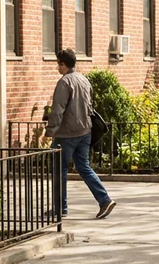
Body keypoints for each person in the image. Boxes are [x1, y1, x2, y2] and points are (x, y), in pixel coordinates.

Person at [45, 49, 116, 219]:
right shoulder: (84, 79)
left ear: (63, 64)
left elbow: (58, 109)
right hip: (85, 131)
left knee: (59, 170)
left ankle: (60, 208)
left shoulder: (64, 82)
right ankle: (104, 200)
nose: (57, 67)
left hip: (66, 134)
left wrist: (50, 130)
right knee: (84, 167)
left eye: (59, 64)